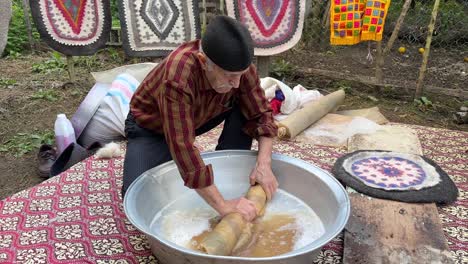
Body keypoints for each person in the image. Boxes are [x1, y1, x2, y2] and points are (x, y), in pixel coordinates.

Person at [122, 16, 278, 222]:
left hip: (199, 118)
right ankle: (212, 191)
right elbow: (182, 145)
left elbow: (261, 114)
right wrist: (223, 207)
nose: (236, 82)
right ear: (204, 62)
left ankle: (228, 165)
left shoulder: (239, 69)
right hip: (151, 127)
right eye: (229, 76)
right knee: (136, 198)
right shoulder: (178, 75)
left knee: (244, 105)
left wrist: (264, 164)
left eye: (241, 74)